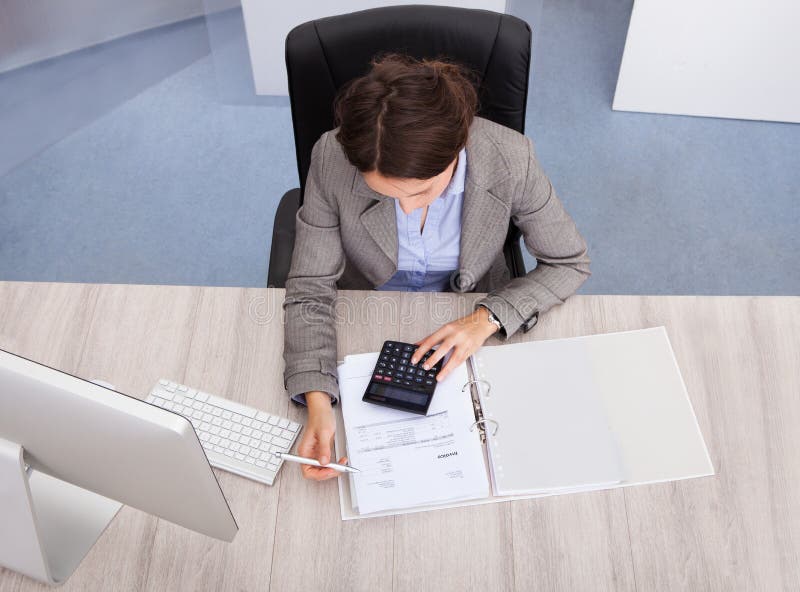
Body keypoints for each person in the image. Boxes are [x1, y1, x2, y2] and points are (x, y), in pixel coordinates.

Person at [283, 53, 590, 480]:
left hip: (470, 310)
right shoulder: (331, 157)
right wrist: (317, 401)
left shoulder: (510, 157)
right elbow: (310, 288)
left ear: (456, 151)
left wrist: (487, 319)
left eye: (422, 192)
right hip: (366, 308)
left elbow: (568, 262)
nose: (407, 209)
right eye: (388, 195)